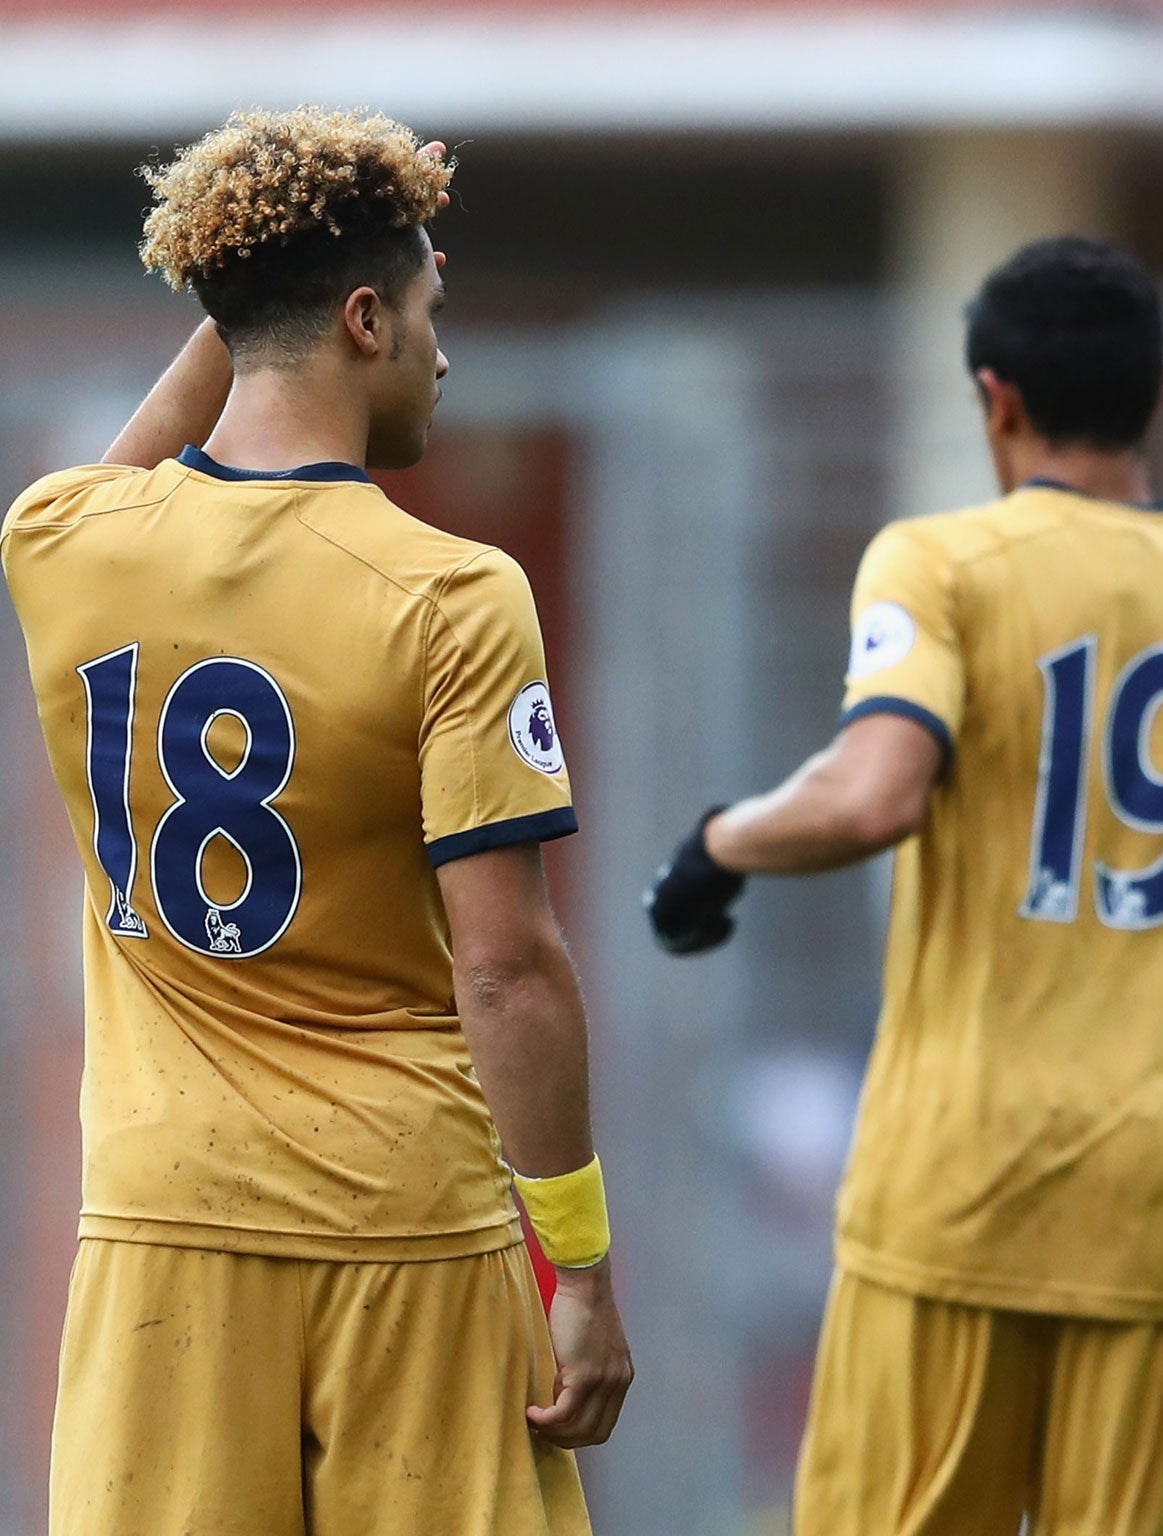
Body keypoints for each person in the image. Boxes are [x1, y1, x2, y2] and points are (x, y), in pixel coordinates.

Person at [2, 109, 631, 1536]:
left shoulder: (57, 539)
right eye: (424, 311)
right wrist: (576, 1270)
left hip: (162, 1220)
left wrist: (246, 294)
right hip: (404, 1227)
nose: (441, 351)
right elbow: (507, 965)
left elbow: (146, 462)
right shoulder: (456, 596)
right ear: (363, 320)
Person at [646, 236, 1163, 1536]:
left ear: (994, 399)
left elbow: (873, 790)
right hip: (1155, 1190)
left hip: (963, 1181)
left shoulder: (940, 563)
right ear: (1159, 389)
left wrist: (717, 845)